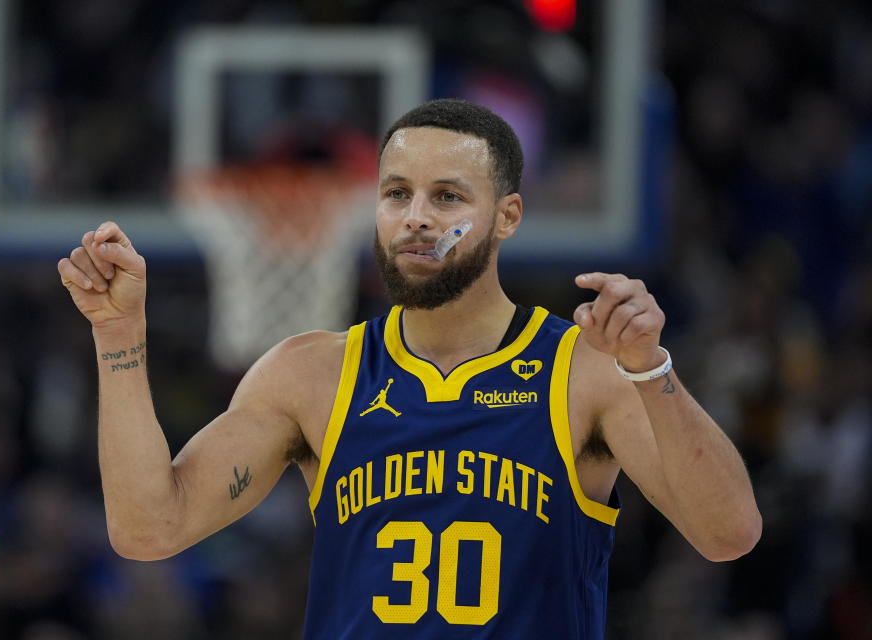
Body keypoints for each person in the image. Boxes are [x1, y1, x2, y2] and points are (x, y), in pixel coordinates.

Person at [58, 99, 761, 638]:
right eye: (397, 194)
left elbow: (728, 533)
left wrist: (651, 370)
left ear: (507, 215)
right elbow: (149, 530)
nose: (416, 217)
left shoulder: (585, 372)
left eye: (447, 196)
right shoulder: (312, 376)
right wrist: (120, 336)